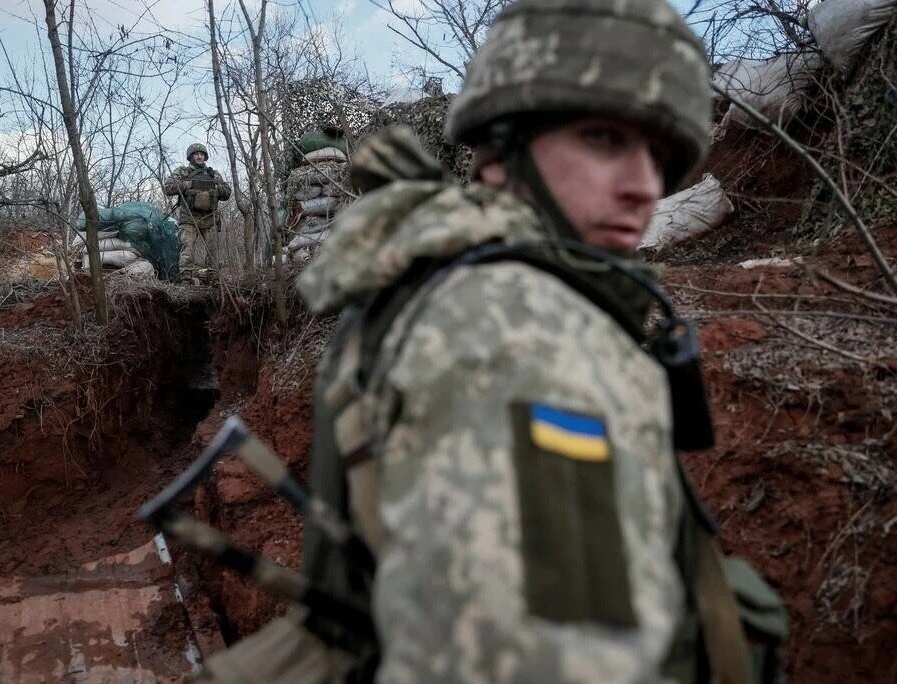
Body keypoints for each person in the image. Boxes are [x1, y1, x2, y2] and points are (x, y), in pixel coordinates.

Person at [193, 0, 786, 681]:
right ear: (503, 150)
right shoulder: (511, 325)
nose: (642, 186)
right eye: (604, 140)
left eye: (659, 157)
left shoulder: (463, 288)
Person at [163, 143, 231, 283]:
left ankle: (213, 278)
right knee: (187, 248)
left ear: (205, 157)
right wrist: (186, 185)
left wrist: (218, 188)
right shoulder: (183, 172)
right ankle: (186, 278)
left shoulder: (213, 174)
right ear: (191, 157)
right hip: (188, 218)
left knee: (213, 250)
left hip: (210, 218)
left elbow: (227, 193)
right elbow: (168, 188)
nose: (199, 156)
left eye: (202, 154)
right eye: (196, 154)